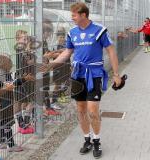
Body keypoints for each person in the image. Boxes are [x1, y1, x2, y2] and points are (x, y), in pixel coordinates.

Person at [41, 2, 121, 158]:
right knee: (80, 109)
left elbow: (111, 51)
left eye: (74, 15)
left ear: (83, 15)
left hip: (94, 74)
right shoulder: (72, 33)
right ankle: (87, 139)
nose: (72, 18)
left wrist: (116, 74)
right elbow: (68, 52)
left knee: (92, 110)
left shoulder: (99, 30)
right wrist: (52, 65)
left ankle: (97, 141)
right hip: (77, 75)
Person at [14, 30, 35, 134]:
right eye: (24, 39)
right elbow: (29, 62)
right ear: (17, 40)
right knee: (25, 100)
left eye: (27, 39)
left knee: (24, 100)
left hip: (26, 77)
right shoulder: (19, 48)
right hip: (22, 77)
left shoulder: (23, 50)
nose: (26, 41)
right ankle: (23, 123)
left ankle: (24, 124)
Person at [42, 18, 61, 116]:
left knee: (46, 88)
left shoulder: (44, 42)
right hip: (40, 70)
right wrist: (53, 55)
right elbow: (42, 56)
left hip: (45, 69)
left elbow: (48, 53)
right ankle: (42, 111)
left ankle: (48, 108)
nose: (49, 35)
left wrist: (57, 53)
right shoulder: (38, 42)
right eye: (48, 33)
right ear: (44, 31)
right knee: (41, 90)